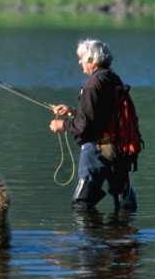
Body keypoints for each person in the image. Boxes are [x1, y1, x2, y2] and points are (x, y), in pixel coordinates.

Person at [49, 38, 137, 212]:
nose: (79, 61)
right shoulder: (112, 78)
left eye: (82, 57)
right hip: (118, 148)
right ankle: (123, 235)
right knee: (124, 203)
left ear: (92, 60)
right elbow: (101, 114)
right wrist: (73, 112)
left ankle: (91, 239)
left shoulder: (92, 84)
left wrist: (62, 124)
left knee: (81, 204)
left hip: (96, 150)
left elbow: (84, 126)